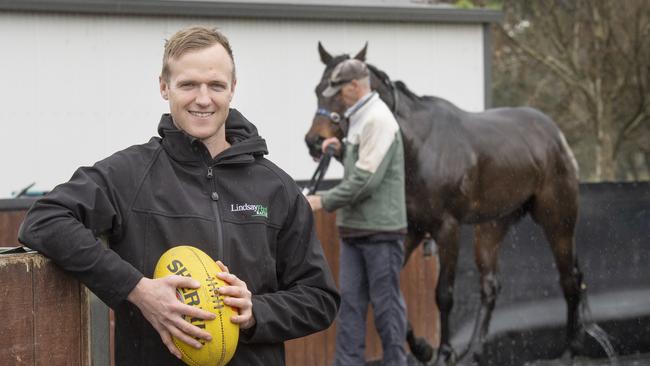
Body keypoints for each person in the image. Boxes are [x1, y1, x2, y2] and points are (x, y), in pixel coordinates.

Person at [19, 26, 339, 366]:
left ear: (232, 89)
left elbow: (319, 299)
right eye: (188, 84)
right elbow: (43, 221)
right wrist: (138, 290)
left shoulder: (276, 186)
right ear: (164, 87)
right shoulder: (129, 173)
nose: (203, 99)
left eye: (216, 85)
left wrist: (256, 311)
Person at [306, 59, 408, 366]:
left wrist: (323, 201)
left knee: (386, 308)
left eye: (339, 89)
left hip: (380, 232)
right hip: (355, 230)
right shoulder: (360, 119)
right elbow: (363, 163)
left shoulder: (378, 119)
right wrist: (341, 150)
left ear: (354, 86)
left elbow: (365, 181)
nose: (337, 96)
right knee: (349, 307)